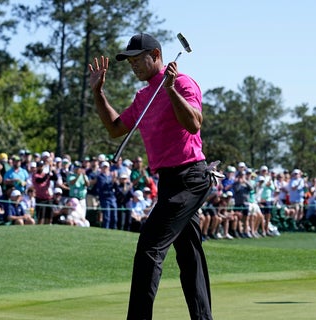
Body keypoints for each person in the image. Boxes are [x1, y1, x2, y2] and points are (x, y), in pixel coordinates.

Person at [89, 33, 216, 319]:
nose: (133, 65)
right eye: (130, 61)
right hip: (169, 181)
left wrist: (170, 90)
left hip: (190, 176)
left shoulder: (183, 83)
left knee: (149, 247)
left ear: (156, 55)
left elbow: (194, 124)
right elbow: (115, 128)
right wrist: (98, 93)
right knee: (189, 255)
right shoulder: (143, 96)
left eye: (138, 59)